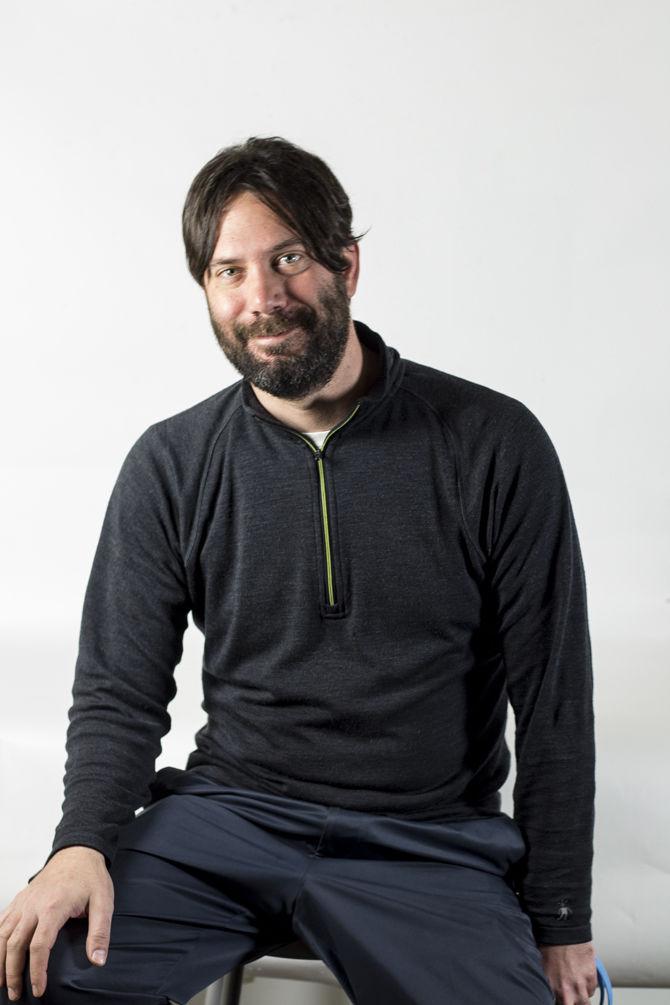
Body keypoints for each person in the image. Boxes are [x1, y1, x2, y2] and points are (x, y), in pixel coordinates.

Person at [0, 136, 598, 1004]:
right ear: (205, 290)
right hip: (223, 824)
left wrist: (562, 917)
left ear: (347, 264)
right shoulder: (171, 463)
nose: (262, 299)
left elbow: (553, 701)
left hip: (426, 842)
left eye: (287, 259)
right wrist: (78, 845)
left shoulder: (492, 443)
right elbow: (118, 690)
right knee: (28, 976)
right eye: (228, 271)